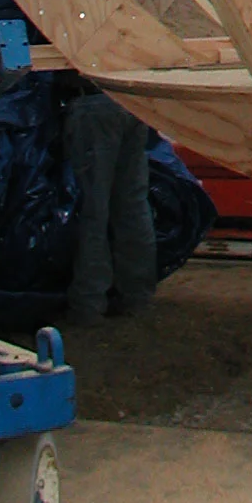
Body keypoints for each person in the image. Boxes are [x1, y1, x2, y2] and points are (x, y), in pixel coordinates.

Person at [61, 76, 158, 328]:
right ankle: (137, 297)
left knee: (93, 210)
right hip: (131, 100)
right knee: (133, 205)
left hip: (94, 103)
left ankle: (88, 304)